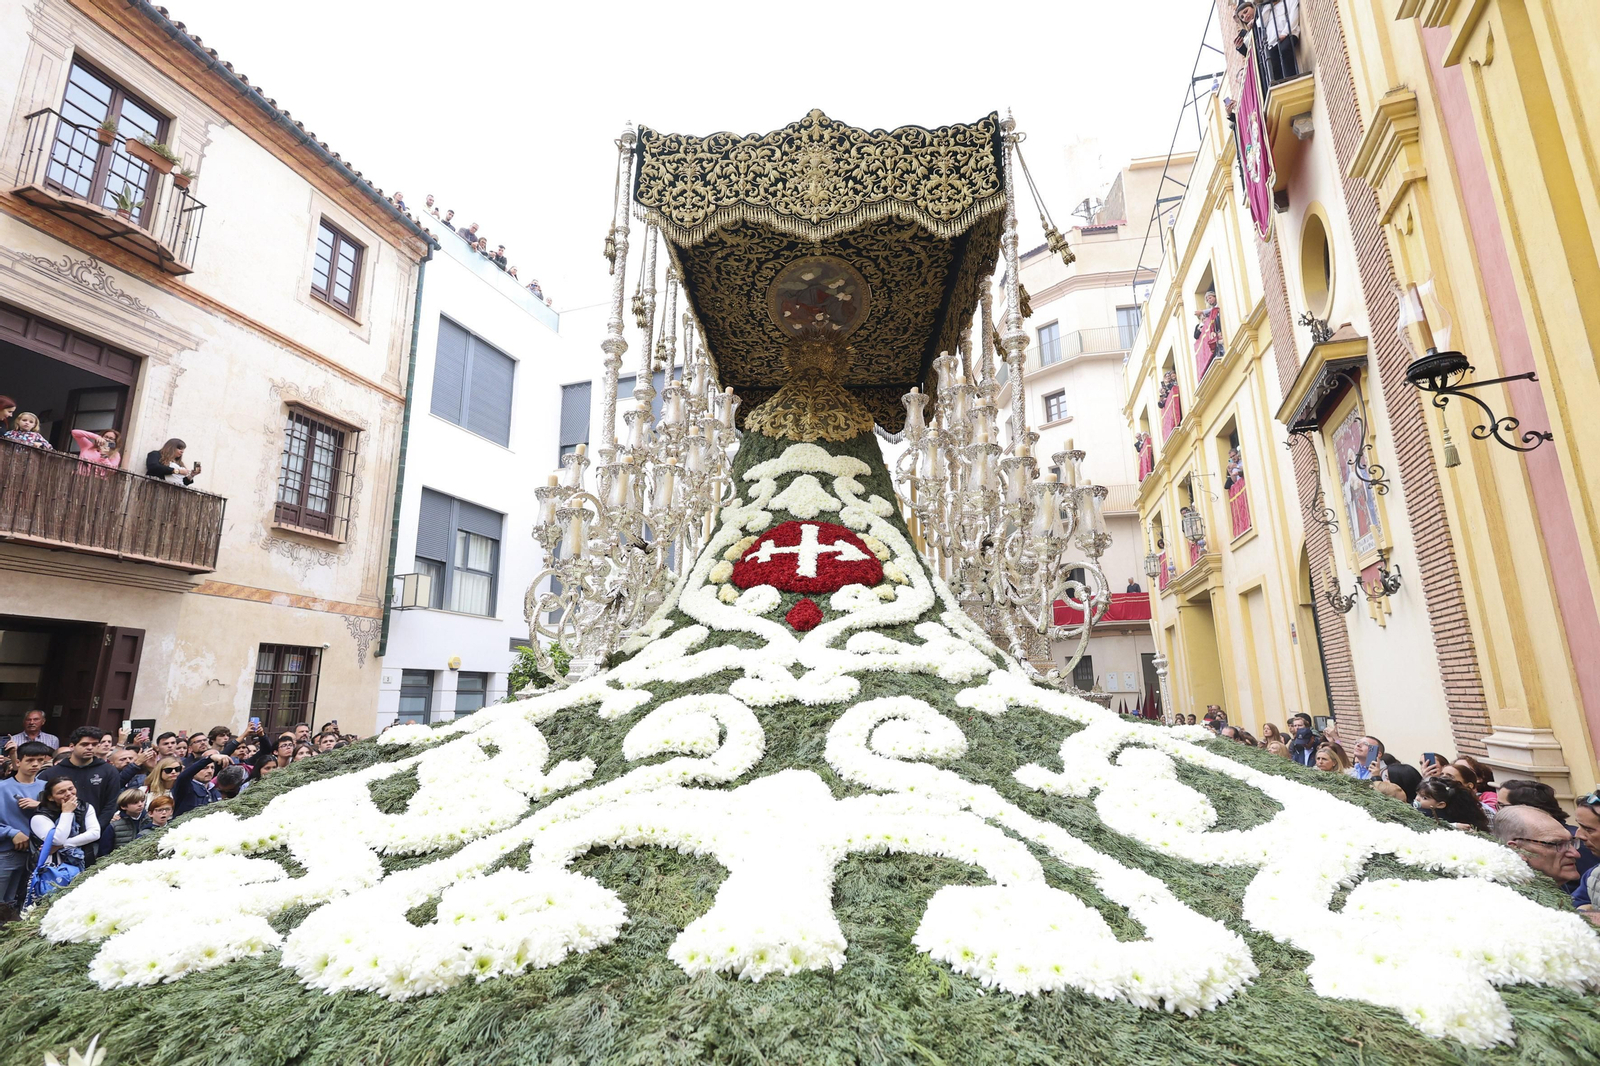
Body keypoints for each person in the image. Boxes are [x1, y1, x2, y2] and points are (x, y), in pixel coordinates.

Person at [37, 727, 116, 860]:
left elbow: (110, 804)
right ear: (72, 746)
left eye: (95, 744)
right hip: (57, 836)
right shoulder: (51, 773)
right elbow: (42, 804)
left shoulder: (108, 771)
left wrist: (95, 830)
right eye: (85, 744)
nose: (90, 748)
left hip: (92, 837)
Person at [0, 741, 51, 914]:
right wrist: (11, 832)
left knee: (22, 901)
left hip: (38, 852)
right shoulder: (2, 788)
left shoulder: (47, 788)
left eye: (40, 760)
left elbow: (64, 815)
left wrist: (40, 805)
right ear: (18, 762)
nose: (35, 764)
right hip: (6, 851)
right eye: (30, 760)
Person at [29, 776, 99, 881]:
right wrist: (67, 813)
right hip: (52, 868)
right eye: (61, 792)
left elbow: (94, 833)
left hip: (83, 860)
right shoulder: (40, 817)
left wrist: (62, 845)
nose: (69, 794)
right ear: (50, 797)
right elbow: (58, 839)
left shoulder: (85, 807)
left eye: (71, 789)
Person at [1415, 778, 1488, 832]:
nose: (1417, 799)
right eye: (1417, 794)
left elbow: (1434, 825)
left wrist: (1453, 826)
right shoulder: (1416, 810)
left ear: (1440, 804)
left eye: (1424, 798)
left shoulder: (1441, 816)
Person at [171, 752, 227, 816]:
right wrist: (209, 758)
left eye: (212, 768)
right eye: (205, 768)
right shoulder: (185, 786)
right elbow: (183, 776)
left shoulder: (215, 791)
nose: (210, 771)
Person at [1259, 0, 1301, 83]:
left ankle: (1291, 79)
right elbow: (1260, 23)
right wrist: (1268, 6)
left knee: (1284, 50)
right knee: (1272, 63)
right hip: (1273, 42)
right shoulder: (1269, 10)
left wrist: (1285, 33)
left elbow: (1293, 17)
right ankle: (1280, 84)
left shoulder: (1289, 1)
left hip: (1289, 34)